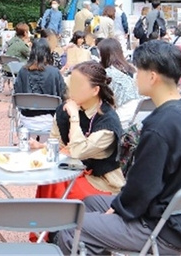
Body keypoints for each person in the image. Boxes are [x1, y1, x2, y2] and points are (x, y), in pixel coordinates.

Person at [57, 40, 181, 255]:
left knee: (70, 226)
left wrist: (118, 210)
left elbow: (143, 187)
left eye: (139, 71)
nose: (135, 75)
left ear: (152, 77)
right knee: (90, 203)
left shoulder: (159, 127)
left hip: (157, 227)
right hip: (171, 214)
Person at [32, 61, 125, 200]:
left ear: (95, 90)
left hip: (100, 181)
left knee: (57, 184)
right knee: (48, 179)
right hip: (72, 170)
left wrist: (74, 117)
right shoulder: (63, 111)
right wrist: (44, 147)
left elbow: (77, 151)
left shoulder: (108, 123)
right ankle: (44, 219)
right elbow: (61, 147)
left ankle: (57, 219)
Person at [13, 39, 66, 134]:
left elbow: (17, 92)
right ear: (48, 53)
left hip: (26, 120)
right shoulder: (54, 72)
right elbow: (63, 95)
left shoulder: (22, 72)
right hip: (50, 120)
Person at [98, 38, 140, 125]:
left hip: (121, 117)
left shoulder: (108, 73)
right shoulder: (131, 69)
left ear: (104, 54)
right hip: (136, 113)